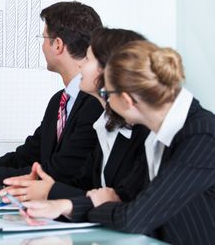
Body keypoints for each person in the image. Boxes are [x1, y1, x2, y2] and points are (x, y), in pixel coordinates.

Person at [22, 41, 215, 244]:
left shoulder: (202, 136)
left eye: (107, 94)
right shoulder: (157, 132)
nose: (106, 104)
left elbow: (134, 217)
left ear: (127, 100)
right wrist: (65, 206)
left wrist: (97, 204)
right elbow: (125, 196)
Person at [0, 1, 104, 193]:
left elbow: (61, 171)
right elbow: (27, 156)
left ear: (58, 45)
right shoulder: (59, 101)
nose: (42, 45)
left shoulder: (96, 103)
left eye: (44, 37)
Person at [0, 28, 149, 205]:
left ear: (108, 69)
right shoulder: (105, 125)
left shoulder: (142, 132)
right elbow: (84, 187)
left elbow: (127, 205)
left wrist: (51, 193)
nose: (80, 65)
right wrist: (45, 191)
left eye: (88, 58)